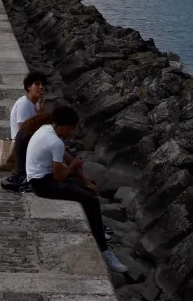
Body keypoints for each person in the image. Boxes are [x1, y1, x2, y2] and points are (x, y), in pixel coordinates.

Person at [26, 104, 127, 275]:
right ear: (64, 126)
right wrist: (74, 165)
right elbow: (60, 176)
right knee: (91, 200)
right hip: (41, 184)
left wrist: (86, 181)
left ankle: (97, 228)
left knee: (86, 189)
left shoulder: (47, 130)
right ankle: (105, 251)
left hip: (44, 177)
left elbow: (67, 158)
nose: (71, 133)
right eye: (71, 129)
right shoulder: (55, 142)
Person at [1, 71, 48, 191]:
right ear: (28, 87)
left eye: (43, 84)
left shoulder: (36, 103)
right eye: (37, 84)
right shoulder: (24, 104)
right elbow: (24, 130)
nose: (41, 87)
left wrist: (41, 113)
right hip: (22, 144)